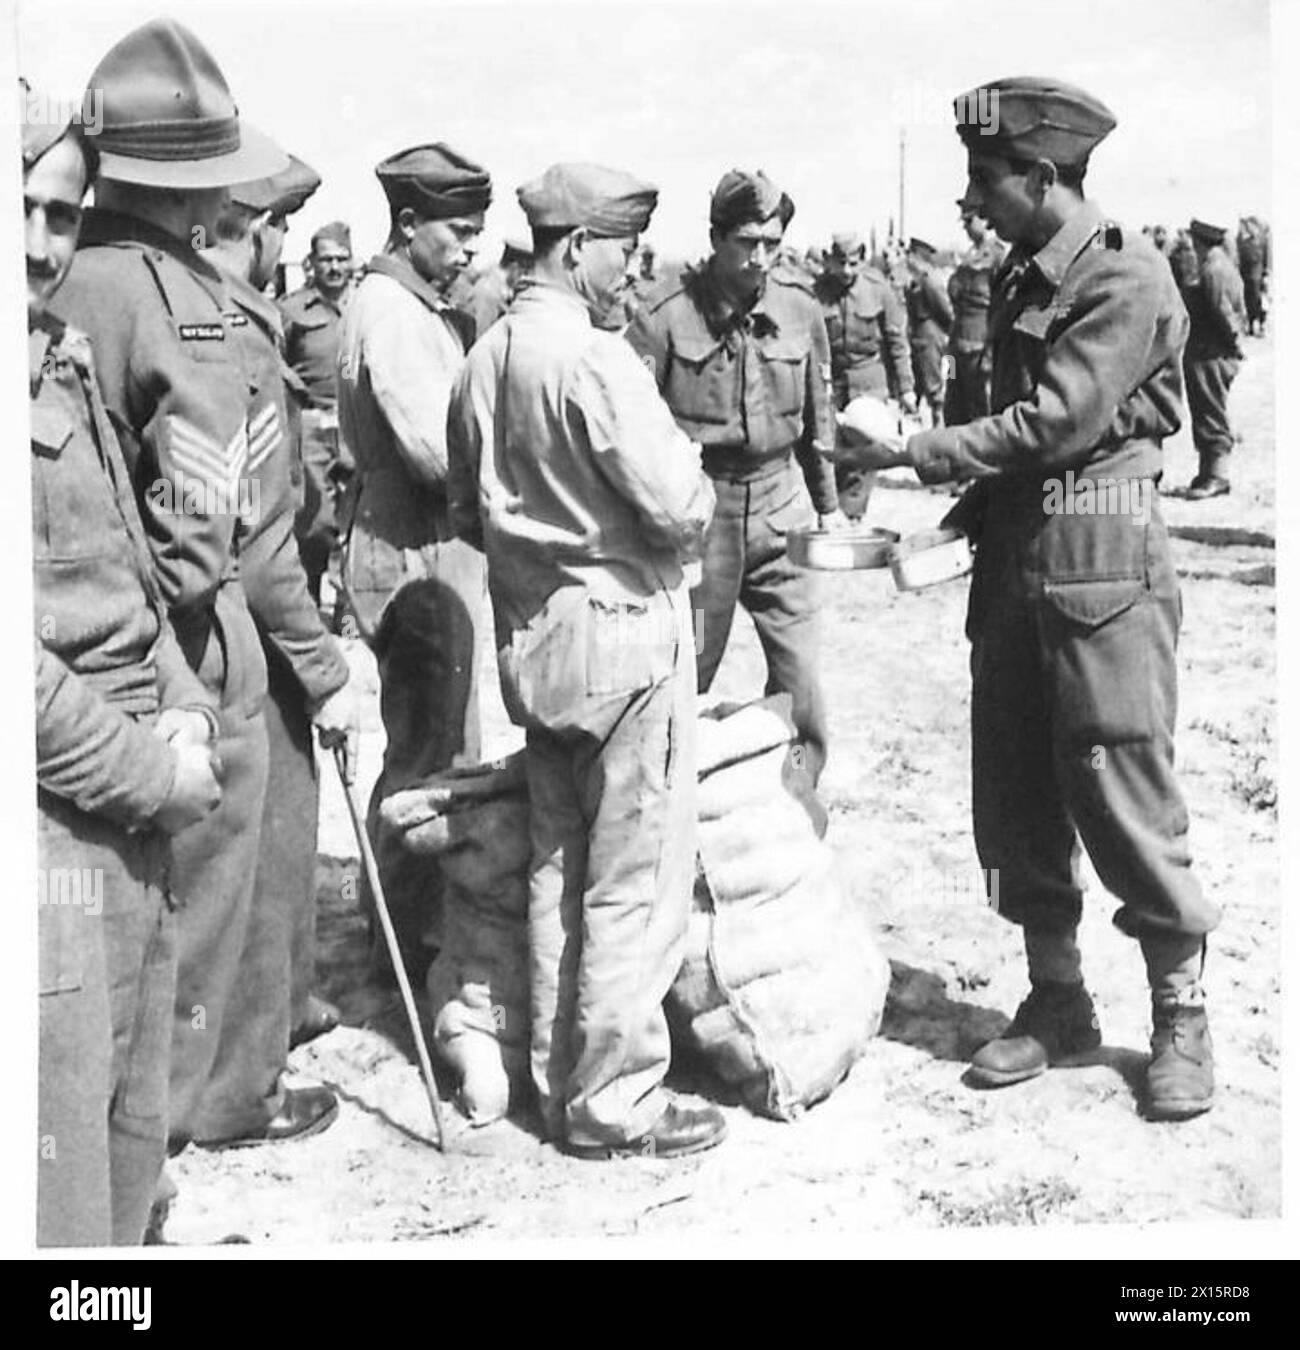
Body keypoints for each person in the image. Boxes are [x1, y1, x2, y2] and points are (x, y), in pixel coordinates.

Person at [844, 76, 1219, 1121]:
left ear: (1042, 175)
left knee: (1118, 778)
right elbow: (1008, 424)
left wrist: (914, 451)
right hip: (1018, 556)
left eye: (983, 178)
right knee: (1011, 792)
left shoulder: (1124, 273)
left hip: (1100, 554)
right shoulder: (1016, 274)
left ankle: (1180, 1017)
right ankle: (1056, 999)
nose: (970, 199)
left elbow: (1056, 423)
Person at [52, 18, 339, 1152]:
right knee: (201, 901)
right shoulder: (189, 306)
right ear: (201, 188)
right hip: (187, 645)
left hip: (71, 645)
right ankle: (183, 1126)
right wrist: (310, 667)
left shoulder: (58, 274)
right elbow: (223, 531)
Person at [447, 161, 722, 1160]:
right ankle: (613, 1103)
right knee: (632, 886)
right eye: (623, 252)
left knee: (556, 871)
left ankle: (555, 1080)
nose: (635, 272)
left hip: (536, 644)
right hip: (625, 635)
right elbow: (675, 505)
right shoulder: (596, 361)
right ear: (574, 250)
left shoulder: (483, 359)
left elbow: (462, 511)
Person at [26, 81, 224, 1245]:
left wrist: (187, 704)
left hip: (132, 813)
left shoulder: (55, 356)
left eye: (63, 216)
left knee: (128, 1133)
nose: (41, 247)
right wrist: (159, 774)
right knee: (56, 1175)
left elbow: (135, 578)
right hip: (56, 832)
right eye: (19, 210)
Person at [205, 159, 361, 1075]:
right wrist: (328, 671)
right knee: (258, 845)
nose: (288, 248)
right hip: (253, 628)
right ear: (246, 228)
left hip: (255, 614)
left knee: (282, 829)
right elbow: (262, 552)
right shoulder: (238, 336)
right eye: (278, 229)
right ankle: (242, 1075)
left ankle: (285, 1004)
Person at [626, 169, 843, 785]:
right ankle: (668, 803)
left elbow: (818, 416)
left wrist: (827, 507)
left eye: (772, 243)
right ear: (716, 237)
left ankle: (800, 795)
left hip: (783, 511)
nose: (760, 257)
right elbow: (631, 431)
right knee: (687, 670)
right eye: (746, 241)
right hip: (701, 516)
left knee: (801, 676)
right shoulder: (664, 317)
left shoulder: (800, 310)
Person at [336, 143, 492, 983]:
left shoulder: (415, 301)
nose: (468, 247)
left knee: (440, 745)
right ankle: (400, 944)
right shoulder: (392, 312)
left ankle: (413, 924)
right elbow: (436, 455)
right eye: (458, 230)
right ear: (408, 223)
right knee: (425, 758)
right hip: (412, 547)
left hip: (430, 542)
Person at [813, 231, 917, 518]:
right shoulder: (816, 292)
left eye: (853, 264)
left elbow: (896, 342)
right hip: (832, 383)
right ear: (829, 261)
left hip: (869, 383)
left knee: (862, 454)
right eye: (841, 263)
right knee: (830, 449)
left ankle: (852, 515)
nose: (847, 271)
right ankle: (832, 510)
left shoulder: (878, 288)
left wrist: (906, 388)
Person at [279, 220, 356, 602]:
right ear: (312, 263)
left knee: (354, 516)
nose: (335, 267)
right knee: (315, 520)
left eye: (342, 259)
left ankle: (346, 607)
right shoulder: (292, 310)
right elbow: (273, 361)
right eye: (327, 260)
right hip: (311, 424)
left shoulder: (364, 304)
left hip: (356, 423)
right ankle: (307, 596)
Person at [1180, 219, 1247, 500]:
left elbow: (1222, 313)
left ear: (1199, 240)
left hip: (1209, 354)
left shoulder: (1213, 270)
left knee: (1210, 415)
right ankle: (1208, 471)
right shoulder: (1222, 265)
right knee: (1207, 412)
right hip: (1208, 353)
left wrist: (1233, 345)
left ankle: (1217, 476)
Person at [944, 203, 1006, 426]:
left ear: (983, 220)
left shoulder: (997, 255)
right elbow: (953, 296)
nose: (966, 228)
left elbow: (1001, 309)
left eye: (969, 222)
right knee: (952, 404)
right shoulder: (967, 256)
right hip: (954, 351)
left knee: (978, 408)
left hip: (978, 351)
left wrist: (990, 353)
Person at [903, 237, 954, 425]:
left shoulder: (929, 279)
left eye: (911, 254)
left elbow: (944, 309)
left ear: (919, 255)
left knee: (938, 386)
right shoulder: (916, 278)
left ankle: (941, 426)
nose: (908, 258)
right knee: (924, 383)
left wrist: (951, 331)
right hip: (922, 338)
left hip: (932, 338)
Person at [1236, 216, 1269, 337]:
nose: (1248, 229)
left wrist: (1266, 274)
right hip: (1246, 276)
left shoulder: (1261, 241)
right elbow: (1240, 260)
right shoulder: (1243, 242)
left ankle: (1261, 325)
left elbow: (1266, 259)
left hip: (1257, 276)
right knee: (1248, 301)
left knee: (1258, 300)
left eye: (1249, 226)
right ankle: (1251, 325)